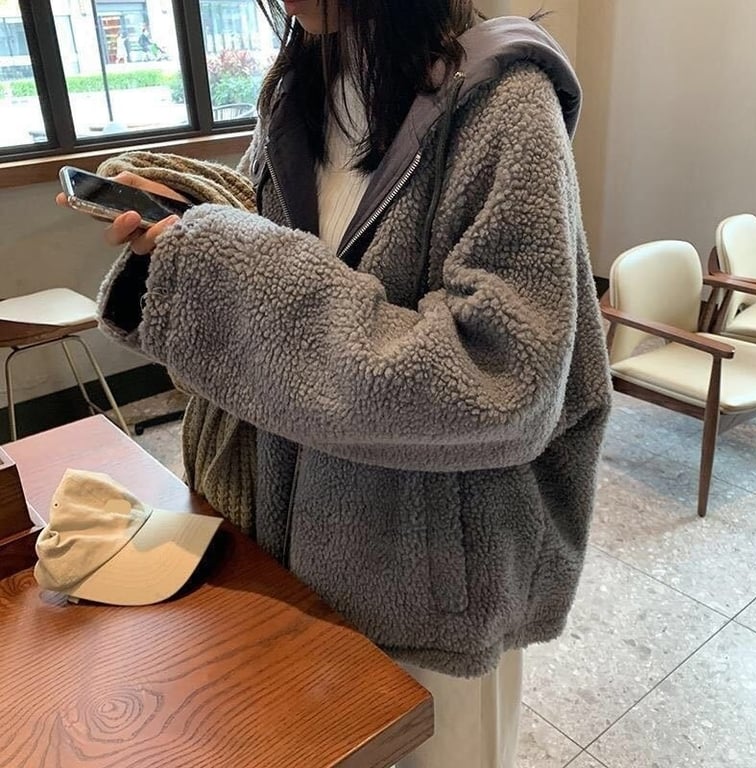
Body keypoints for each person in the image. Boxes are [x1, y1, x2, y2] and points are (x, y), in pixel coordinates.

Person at [57, 2, 612, 765]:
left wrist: (220, 261)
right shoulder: (301, 87)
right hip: (284, 560)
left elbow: (501, 382)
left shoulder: (507, 104)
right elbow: (282, 247)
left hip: (430, 595)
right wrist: (191, 231)